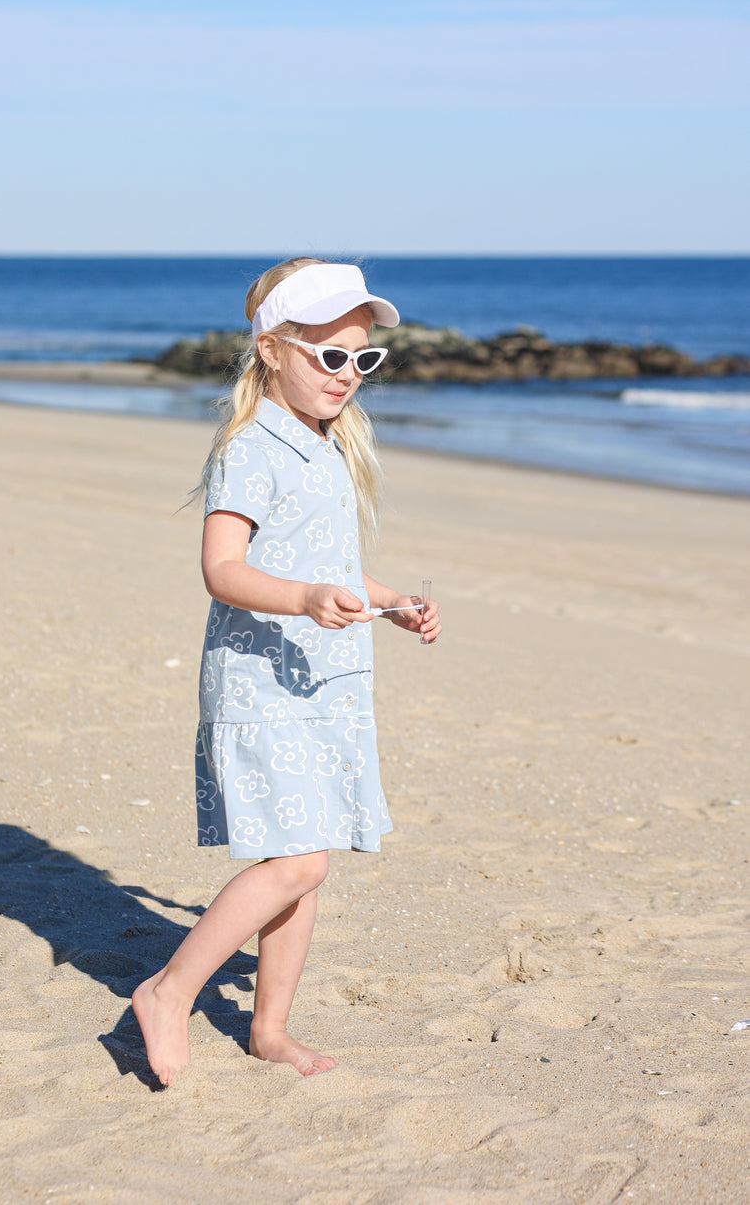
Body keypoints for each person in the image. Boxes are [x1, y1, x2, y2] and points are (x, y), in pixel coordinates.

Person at [132, 258, 441, 1085]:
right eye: (330, 356)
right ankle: (167, 991)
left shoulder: (325, 446)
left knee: (308, 861)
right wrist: (303, 599)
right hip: (263, 682)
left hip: (327, 682)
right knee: (296, 861)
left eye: (362, 360)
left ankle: (269, 1029)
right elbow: (222, 569)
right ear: (272, 350)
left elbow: (333, 565)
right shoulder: (250, 449)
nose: (349, 375)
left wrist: (393, 602)